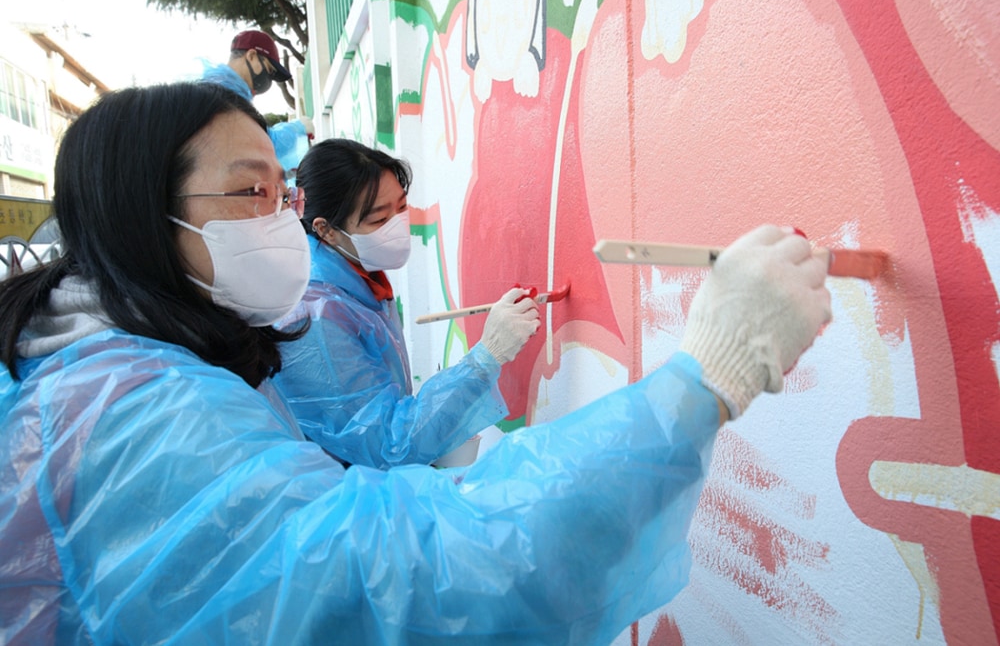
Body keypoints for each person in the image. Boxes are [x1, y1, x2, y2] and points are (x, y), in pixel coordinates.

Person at [0, 82, 831, 645]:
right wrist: (705, 377)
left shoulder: (119, 366)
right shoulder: (139, 416)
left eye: (280, 191)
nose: (281, 218)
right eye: (253, 193)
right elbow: (409, 575)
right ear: (144, 217)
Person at [271, 138, 539, 468]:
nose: (398, 225)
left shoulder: (357, 279)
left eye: (401, 207)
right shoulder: (315, 319)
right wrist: (487, 357)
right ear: (326, 230)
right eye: (379, 219)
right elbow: (386, 443)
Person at [200, 29, 314, 174]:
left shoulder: (226, 92)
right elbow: (254, 146)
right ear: (252, 56)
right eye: (269, 70)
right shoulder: (220, 96)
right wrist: (297, 130)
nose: (269, 80)